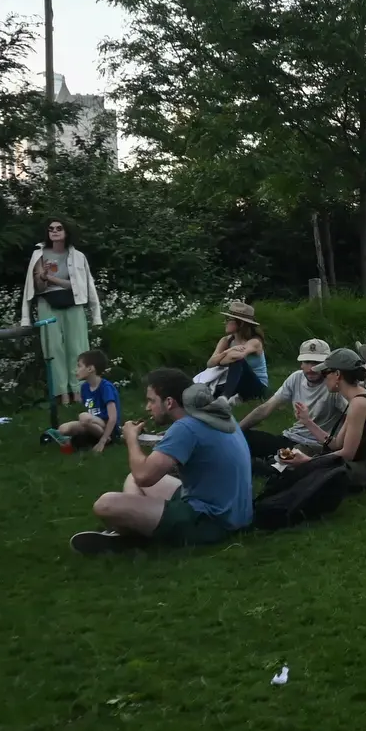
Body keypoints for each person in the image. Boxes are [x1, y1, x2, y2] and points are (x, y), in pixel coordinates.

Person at [74, 370, 252, 554]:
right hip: (235, 512)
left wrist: (131, 439)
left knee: (105, 504)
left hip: (210, 521)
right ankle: (137, 526)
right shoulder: (215, 414)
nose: (147, 407)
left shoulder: (185, 428)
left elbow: (144, 476)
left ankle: (133, 532)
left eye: (151, 401)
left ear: (169, 402)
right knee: (131, 479)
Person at [272, 348, 366, 492]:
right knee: (302, 449)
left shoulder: (359, 404)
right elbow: (337, 444)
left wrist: (308, 462)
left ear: (337, 374)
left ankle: (274, 472)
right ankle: (275, 469)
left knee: (317, 469)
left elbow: (347, 454)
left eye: (325, 373)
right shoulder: (356, 398)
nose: (323, 378)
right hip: (359, 461)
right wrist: (308, 422)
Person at [19, 217, 103, 406]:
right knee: (53, 348)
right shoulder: (39, 255)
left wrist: (96, 314)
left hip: (73, 302)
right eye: (51, 229)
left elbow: (84, 284)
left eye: (59, 228)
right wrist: (43, 275)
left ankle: (78, 390)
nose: (54, 231)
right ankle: (62, 393)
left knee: (78, 347)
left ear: (66, 231)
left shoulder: (78, 256)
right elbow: (36, 287)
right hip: (47, 303)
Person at [236, 338, 342, 464]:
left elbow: (352, 418)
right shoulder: (296, 377)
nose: (311, 369)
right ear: (301, 363)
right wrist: (236, 430)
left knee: (280, 466)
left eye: (316, 363)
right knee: (242, 438)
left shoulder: (335, 385)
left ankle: (266, 464)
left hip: (315, 445)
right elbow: (265, 409)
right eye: (307, 362)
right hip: (290, 438)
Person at [54, 349, 124, 455]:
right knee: (63, 429)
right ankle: (73, 441)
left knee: (84, 417)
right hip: (92, 424)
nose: (75, 370)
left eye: (79, 366)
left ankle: (107, 440)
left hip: (109, 429)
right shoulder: (85, 388)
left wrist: (102, 441)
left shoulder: (106, 387)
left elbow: (113, 418)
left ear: (90, 369)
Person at [205, 301, 269, 401]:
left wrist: (220, 361)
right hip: (235, 382)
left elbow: (237, 357)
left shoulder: (254, 342)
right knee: (209, 391)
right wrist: (227, 351)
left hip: (256, 386)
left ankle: (225, 398)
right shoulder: (226, 340)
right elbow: (210, 364)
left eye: (228, 319)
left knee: (237, 361)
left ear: (241, 323)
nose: (225, 322)